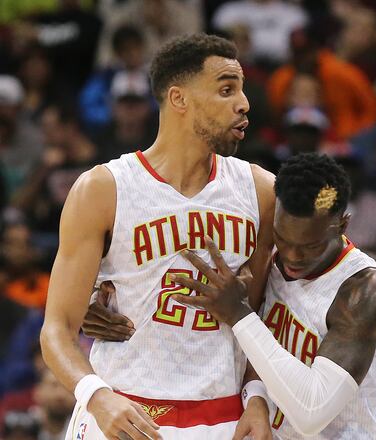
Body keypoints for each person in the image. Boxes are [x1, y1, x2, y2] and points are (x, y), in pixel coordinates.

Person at [39, 34, 276, 440]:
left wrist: (258, 397)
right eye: (226, 90)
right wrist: (97, 397)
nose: (244, 104)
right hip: (121, 411)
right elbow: (56, 328)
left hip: (222, 418)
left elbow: (264, 317)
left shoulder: (261, 191)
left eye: (241, 89)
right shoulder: (103, 189)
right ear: (178, 99)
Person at [86, 154, 376, 438]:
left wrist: (239, 314)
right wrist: (97, 300)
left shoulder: (365, 289)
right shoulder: (273, 261)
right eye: (282, 239)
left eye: (310, 247)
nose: (291, 257)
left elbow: (311, 412)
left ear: (342, 223)